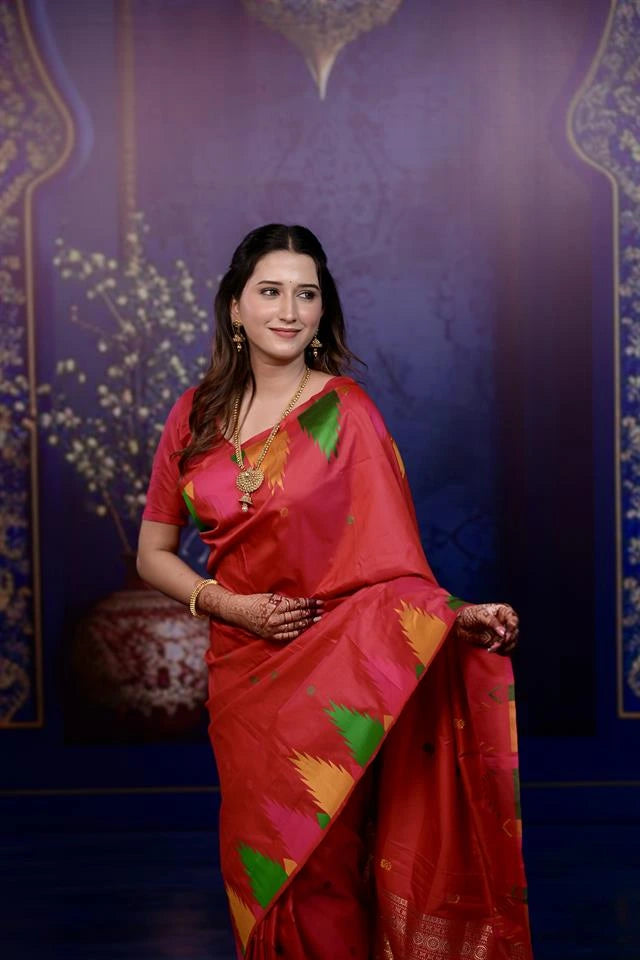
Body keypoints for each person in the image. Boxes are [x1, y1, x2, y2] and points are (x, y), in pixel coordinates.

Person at [137, 224, 532, 960]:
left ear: (322, 314)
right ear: (235, 308)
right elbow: (153, 555)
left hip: (338, 672)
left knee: (323, 864)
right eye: (270, 291)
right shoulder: (192, 417)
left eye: (306, 294)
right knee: (262, 869)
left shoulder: (348, 412)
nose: (288, 309)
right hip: (244, 676)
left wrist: (459, 615)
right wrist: (228, 605)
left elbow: (391, 566)